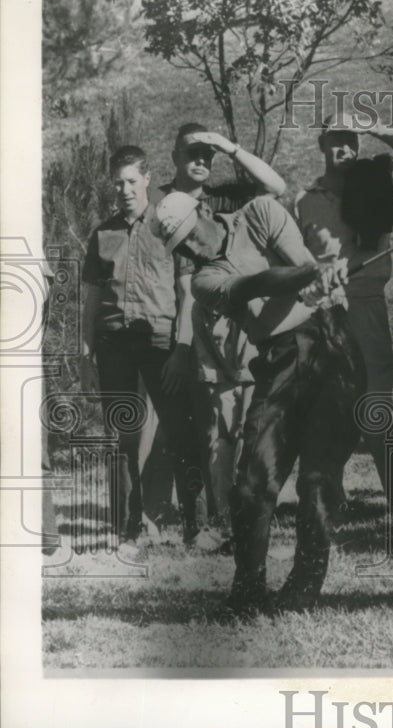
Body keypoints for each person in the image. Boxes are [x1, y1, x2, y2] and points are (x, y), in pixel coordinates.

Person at [153, 190, 365, 615]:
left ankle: (303, 590)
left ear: (206, 213)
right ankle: (248, 590)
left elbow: (298, 261)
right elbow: (259, 285)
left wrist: (315, 276)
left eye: (192, 237)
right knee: (252, 485)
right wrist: (309, 276)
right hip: (278, 358)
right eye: (182, 249)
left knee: (317, 481)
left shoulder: (262, 211)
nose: (192, 252)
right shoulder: (204, 281)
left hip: (332, 344)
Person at [157, 123, 286, 551]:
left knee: (252, 425)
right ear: (173, 155)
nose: (200, 161)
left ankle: (250, 518)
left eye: (206, 154)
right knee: (214, 433)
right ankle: (219, 522)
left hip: (246, 325)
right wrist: (182, 346)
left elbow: (276, 186)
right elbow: (181, 288)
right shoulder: (166, 210)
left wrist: (228, 146)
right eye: (191, 152)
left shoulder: (226, 197)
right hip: (201, 329)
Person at [293, 118, 393, 496]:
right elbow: (291, 261)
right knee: (324, 408)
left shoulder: (381, 183)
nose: (345, 150)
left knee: (375, 408)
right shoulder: (303, 201)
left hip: (367, 307)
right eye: (336, 142)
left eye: (351, 141)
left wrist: (373, 126)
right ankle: (325, 498)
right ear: (322, 145)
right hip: (321, 311)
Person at [79, 146, 202, 549]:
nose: (125, 190)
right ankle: (128, 527)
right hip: (114, 344)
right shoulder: (103, 233)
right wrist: (85, 349)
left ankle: (193, 527)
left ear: (148, 180)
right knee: (123, 436)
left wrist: (183, 348)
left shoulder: (170, 226)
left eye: (132, 181)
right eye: (118, 182)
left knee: (181, 433)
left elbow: (188, 294)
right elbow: (93, 300)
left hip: (160, 342)